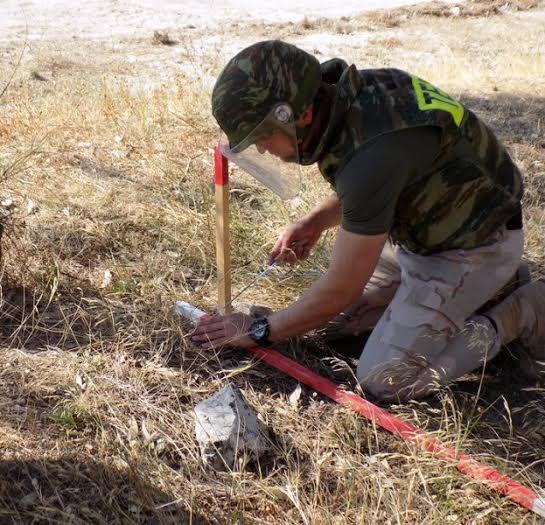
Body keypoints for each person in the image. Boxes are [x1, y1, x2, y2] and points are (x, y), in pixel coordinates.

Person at [190, 40, 545, 402]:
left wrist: (260, 331)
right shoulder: (351, 103)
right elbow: (382, 183)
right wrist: (315, 220)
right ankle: (490, 288)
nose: (263, 149)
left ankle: (521, 311)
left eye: (263, 137)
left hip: (476, 247)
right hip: (425, 233)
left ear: (298, 115)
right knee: (333, 326)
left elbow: (342, 285)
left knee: (385, 378)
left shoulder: (372, 153)